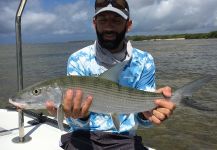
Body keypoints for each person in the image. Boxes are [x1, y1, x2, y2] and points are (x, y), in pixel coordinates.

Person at [46, 0, 176, 149]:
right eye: (103, 20)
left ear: (128, 25)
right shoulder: (77, 59)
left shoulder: (144, 60)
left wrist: (149, 113)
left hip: (124, 139)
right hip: (84, 137)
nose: (108, 27)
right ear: (94, 23)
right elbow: (76, 123)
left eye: (116, 20)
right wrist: (81, 115)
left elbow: (144, 121)